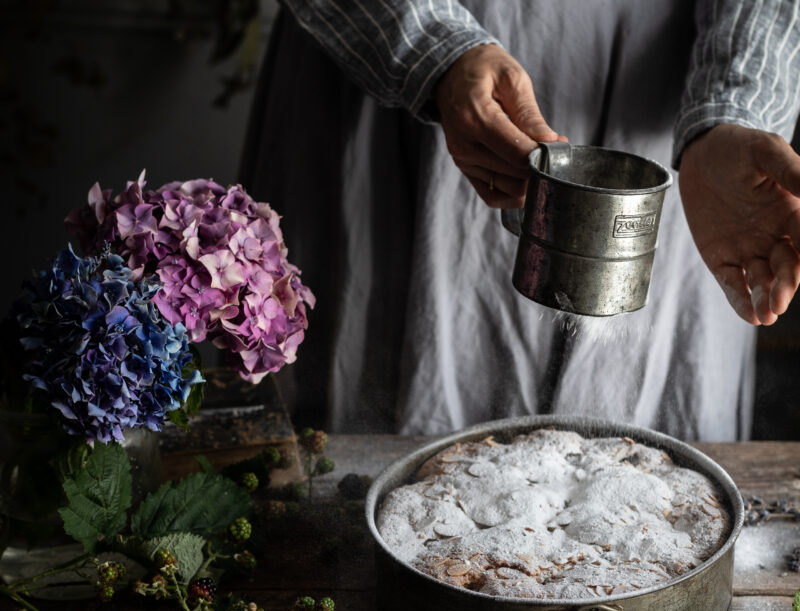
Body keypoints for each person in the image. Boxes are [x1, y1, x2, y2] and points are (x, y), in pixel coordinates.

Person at [240, 0, 800, 440]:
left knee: (644, 476)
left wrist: (734, 107)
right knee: (357, 440)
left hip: (674, 107)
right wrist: (432, 52)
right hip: (389, 70)